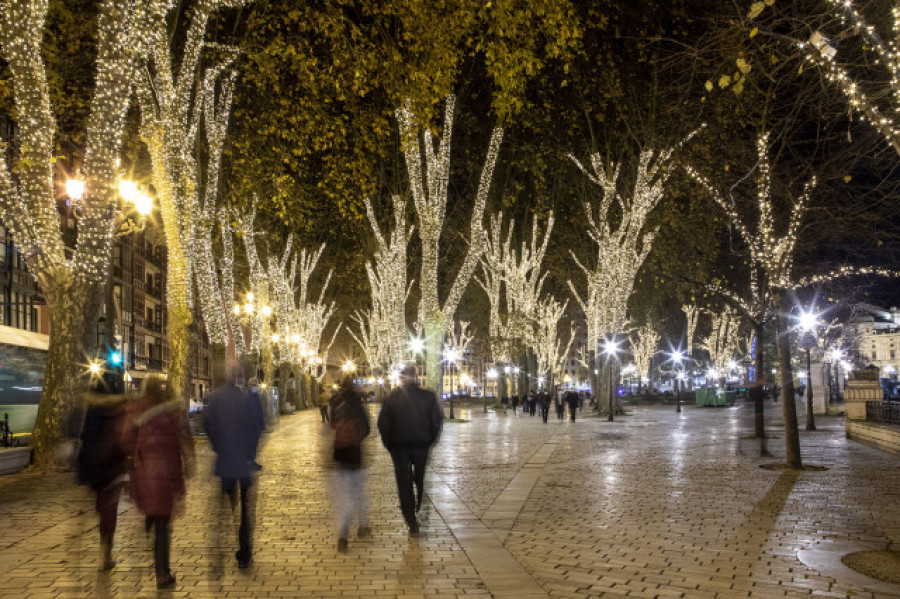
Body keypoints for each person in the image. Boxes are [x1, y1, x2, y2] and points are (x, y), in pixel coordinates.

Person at [121, 376, 194, 589]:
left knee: (154, 513)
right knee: (163, 524)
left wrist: (137, 450)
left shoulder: (135, 412)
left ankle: (149, 523)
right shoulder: (173, 414)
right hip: (167, 473)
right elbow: (180, 444)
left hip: (143, 473)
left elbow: (125, 442)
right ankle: (162, 573)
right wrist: (182, 481)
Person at [204, 368, 266, 569]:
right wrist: (250, 453)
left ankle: (218, 552)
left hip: (225, 462)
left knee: (223, 509)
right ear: (241, 379)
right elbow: (255, 427)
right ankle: (245, 554)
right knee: (246, 512)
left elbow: (208, 424)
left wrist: (218, 447)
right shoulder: (246, 399)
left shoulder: (216, 398)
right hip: (243, 463)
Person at [377, 365, 443, 537]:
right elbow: (436, 420)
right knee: (419, 477)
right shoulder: (428, 396)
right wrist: (431, 440)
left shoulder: (393, 397)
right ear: (416, 377)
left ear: (402, 378)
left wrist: (388, 443)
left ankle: (411, 519)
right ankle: (418, 502)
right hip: (421, 445)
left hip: (399, 447)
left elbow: (383, 422)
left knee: (403, 483)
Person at [76, 391, 128, 571]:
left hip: (95, 470)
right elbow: (125, 440)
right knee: (109, 514)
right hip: (113, 470)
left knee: (101, 510)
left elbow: (84, 438)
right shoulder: (120, 410)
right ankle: (104, 555)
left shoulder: (91, 411)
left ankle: (95, 553)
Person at [329, 375, 371, 552]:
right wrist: (358, 438)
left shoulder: (336, 402)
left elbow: (332, 424)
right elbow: (367, 428)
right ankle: (362, 525)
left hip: (340, 455)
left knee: (345, 497)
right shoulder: (357, 403)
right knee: (359, 492)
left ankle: (343, 534)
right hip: (355, 454)